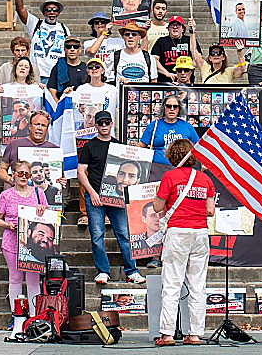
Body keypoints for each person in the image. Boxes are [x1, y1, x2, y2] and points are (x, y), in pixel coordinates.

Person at [153, 139, 215, 346]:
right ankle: (195, 334)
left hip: (178, 232)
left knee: (172, 284)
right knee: (198, 285)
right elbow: (210, 211)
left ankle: (167, 334)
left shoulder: (169, 176)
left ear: (172, 156)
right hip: (200, 233)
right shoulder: (205, 179)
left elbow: (157, 207)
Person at [78, 111, 145, 285]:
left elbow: (130, 171)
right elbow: (81, 172)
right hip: (95, 197)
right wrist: (92, 193)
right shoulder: (89, 146)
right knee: (96, 236)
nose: (104, 126)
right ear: (96, 125)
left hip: (116, 196)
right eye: (101, 123)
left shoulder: (119, 146)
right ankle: (103, 271)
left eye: (107, 122)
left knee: (124, 234)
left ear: (112, 124)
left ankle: (132, 271)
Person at [0, 159, 47, 321]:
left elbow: (48, 217)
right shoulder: (6, 195)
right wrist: (8, 225)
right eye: (21, 173)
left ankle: (34, 315)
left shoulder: (38, 193)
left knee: (33, 279)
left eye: (27, 174)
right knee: (15, 278)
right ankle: (16, 315)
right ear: (13, 175)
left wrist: (43, 209)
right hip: (12, 241)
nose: (24, 177)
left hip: (33, 244)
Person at [13, 0, 70, 84]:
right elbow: (20, 9)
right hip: (37, 75)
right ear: (43, 12)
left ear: (58, 13)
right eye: (48, 10)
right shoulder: (35, 24)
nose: (52, 12)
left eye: (55, 10)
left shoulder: (64, 29)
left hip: (57, 75)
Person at [139, 97, 199, 176]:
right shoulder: (154, 125)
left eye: (175, 106)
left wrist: (204, 164)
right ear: (164, 107)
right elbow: (141, 145)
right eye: (169, 106)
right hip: (157, 169)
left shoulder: (187, 126)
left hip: (181, 169)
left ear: (179, 109)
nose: (172, 109)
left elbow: (198, 147)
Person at [0, 111, 57, 187]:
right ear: (30, 126)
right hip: (18, 192)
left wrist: (62, 181)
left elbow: (59, 176)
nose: (39, 128)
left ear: (47, 129)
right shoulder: (14, 145)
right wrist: (9, 179)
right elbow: (1, 169)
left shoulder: (54, 150)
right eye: (37, 124)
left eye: (43, 125)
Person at [151, 16, 200, 82]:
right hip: (165, 80)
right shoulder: (161, 41)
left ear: (183, 29)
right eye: (172, 25)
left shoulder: (189, 40)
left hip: (186, 81)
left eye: (178, 25)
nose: (175, 27)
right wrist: (167, 73)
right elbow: (154, 60)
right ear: (168, 28)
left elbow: (196, 58)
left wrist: (193, 32)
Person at [84, 13, 125, 82]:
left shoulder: (119, 41)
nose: (100, 24)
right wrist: (103, 34)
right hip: (96, 78)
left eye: (103, 22)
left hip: (114, 78)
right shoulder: (88, 43)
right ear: (93, 26)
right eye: (96, 23)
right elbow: (92, 52)